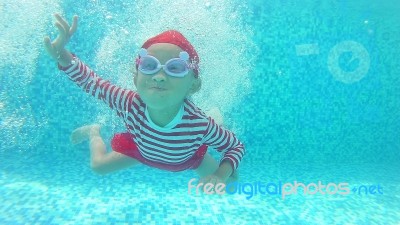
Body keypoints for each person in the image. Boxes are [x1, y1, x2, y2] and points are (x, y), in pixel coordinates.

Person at [44, 13, 245, 186]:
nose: (159, 75)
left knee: (229, 183)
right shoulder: (128, 102)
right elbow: (92, 82)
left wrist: (220, 174)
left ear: (193, 85)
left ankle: (217, 119)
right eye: (149, 65)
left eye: (175, 68)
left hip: (190, 159)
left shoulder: (199, 124)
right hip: (142, 152)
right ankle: (93, 131)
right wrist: (61, 54)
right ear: (136, 78)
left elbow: (235, 146)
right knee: (98, 166)